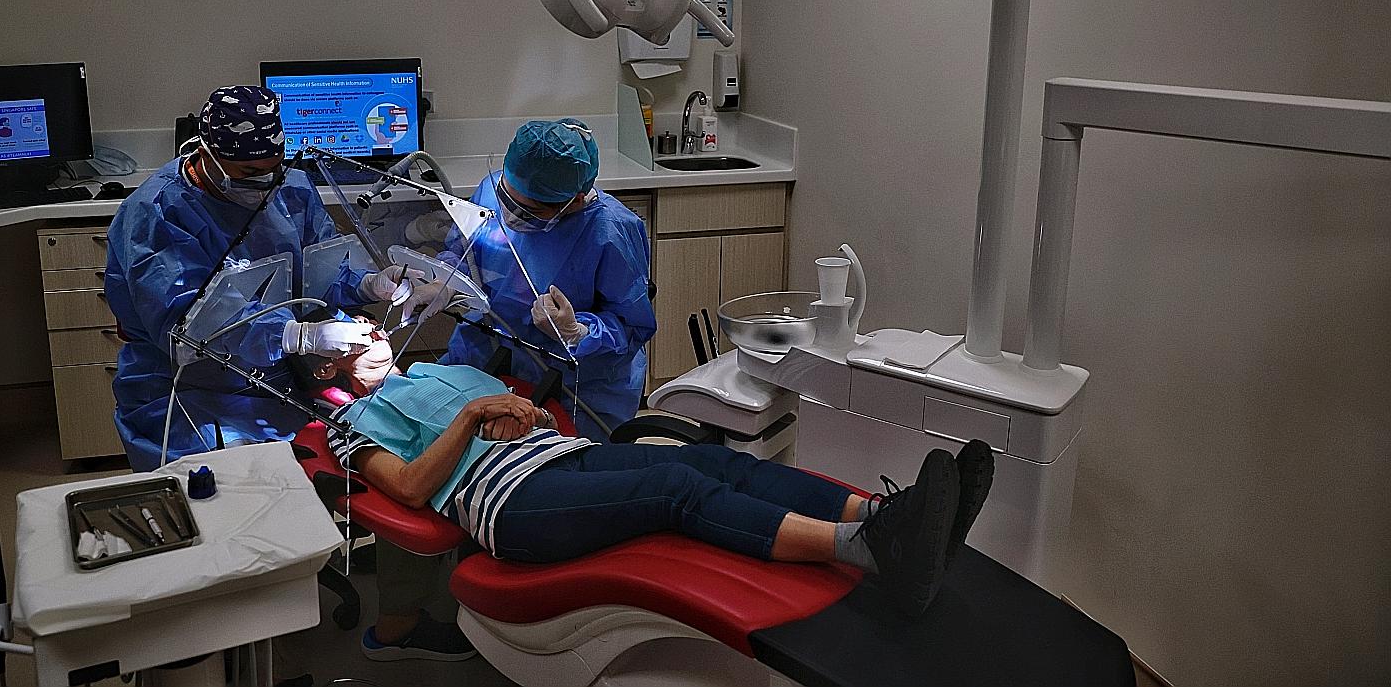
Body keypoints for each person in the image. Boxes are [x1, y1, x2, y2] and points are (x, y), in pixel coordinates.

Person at [104, 85, 475, 663]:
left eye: (273, 168)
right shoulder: (158, 216)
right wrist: (300, 336)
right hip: (188, 399)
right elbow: (185, 330)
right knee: (217, 544)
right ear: (206, 154)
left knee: (283, 526)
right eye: (249, 172)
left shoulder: (288, 185)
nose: (265, 183)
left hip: (282, 385)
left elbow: (324, 267)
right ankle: (219, 655)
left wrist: (370, 290)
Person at [328, 361, 995, 619]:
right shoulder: (348, 424)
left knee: (713, 462)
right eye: (347, 333)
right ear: (330, 365)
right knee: (674, 485)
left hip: (572, 457)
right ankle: (868, 548)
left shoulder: (438, 365)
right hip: (512, 506)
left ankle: (891, 514)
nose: (368, 329)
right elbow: (412, 488)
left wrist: (515, 407)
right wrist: (473, 416)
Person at [408, 119, 654, 441]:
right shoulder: (493, 188)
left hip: (577, 388)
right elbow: (466, 253)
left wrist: (576, 330)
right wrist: (444, 281)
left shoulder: (611, 231)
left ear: (576, 199)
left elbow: (631, 325)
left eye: (530, 211)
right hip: (484, 355)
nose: (510, 214)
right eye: (506, 199)